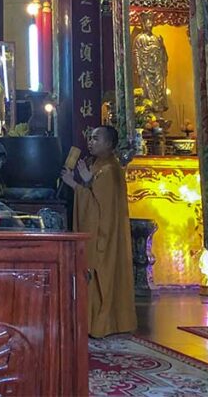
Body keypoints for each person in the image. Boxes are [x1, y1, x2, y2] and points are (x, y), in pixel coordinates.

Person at [61, 125, 137, 337]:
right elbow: (94, 195)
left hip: (104, 235)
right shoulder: (98, 167)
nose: (90, 142)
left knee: (99, 275)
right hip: (104, 232)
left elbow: (96, 209)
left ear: (110, 144)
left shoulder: (110, 170)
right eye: (90, 138)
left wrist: (75, 185)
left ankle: (100, 323)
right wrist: (84, 180)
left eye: (96, 138)